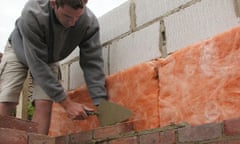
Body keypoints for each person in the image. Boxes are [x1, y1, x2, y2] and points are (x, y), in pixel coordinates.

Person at [0, 0, 108, 135]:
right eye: (68, 16)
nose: (73, 23)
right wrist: (67, 104)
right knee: (8, 98)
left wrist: (101, 103)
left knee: (44, 104)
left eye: (77, 17)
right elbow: (37, 64)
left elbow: (93, 63)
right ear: (53, 3)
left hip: (49, 58)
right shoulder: (33, 13)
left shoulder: (89, 23)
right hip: (19, 48)